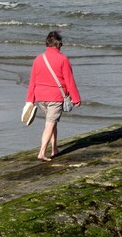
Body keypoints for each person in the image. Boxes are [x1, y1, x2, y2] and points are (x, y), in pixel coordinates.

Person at [26, 31, 82, 161]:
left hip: (40, 96)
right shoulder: (63, 59)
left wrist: (30, 99)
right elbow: (69, 80)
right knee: (50, 123)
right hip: (55, 97)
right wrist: (76, 98)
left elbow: (32, 81)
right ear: (58, 44)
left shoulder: (38, 59)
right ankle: (41, 152)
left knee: (52, 122)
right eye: (61, 44)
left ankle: (54, 149)